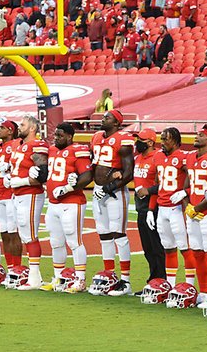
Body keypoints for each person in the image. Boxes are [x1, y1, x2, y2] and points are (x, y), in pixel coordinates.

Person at [42, 123, 93, 293]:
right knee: (55, 242)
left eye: (60, 135)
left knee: (74, 241)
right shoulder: (51, 150)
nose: (56, 138)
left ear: (70, 137)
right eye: (55, 135)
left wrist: (69, 188)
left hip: (72, 202)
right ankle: (59, 278)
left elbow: (87, 175)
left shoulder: (77, 150)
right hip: (53, 203)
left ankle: (80, 279)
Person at [89, 110, 135, 295]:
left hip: (115, 193)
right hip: (97, 190)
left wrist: (109, 187)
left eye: (107, 117)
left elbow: (128, 172)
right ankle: (109, 276)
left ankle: (125, 281)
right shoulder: (97, 137)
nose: (103, 119)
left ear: (117, 123)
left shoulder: (123, 139)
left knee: (119, 234)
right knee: (104, 234)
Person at [180, 126, 207, 306]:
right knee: (197, 252)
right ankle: (204, 292)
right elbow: (185, 187)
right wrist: (188, 208)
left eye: (201, 135)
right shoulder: (190, 157)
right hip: (193, 211)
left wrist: (196, 208)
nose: (196, 137)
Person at [146, 127, 196, 288]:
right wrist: (150, 209)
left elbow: (195, 180)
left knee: (184, 247)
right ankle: (170, 285)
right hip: (162, 208)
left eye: (165, 139)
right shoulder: (158, 156)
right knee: (168, 248)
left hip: (177, 209)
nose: (162, 142)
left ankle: (189, 286)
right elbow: (156, 184)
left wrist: (185, 192)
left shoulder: (183, 157)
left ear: (174, 140)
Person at [6, 115, 48, 290]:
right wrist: (11, 177)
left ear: (32, 128)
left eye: (23, 125)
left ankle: (34, 279)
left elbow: (42, 175)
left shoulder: (37, 145)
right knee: (24, 234)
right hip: (19, 194)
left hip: (30, 194)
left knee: (30, 235)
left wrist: (21, 181)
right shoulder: (20, 146)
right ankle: (34, 276)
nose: (19, 127)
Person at [132, 128, 165, 284]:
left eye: (141, 140)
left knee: (156, 246)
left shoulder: (158, 157)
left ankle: (162, 280)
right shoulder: (138, 158)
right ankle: (153, 279)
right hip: (141, 207)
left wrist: (149, 193)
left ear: (151, 142)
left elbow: (163, 184)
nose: (137, 143)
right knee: (147, 248)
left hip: (154, 206)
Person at [0, 118, 22, 268]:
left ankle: (17, 267)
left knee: (12, 231)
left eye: (2, 127)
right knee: (3, 231)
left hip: (11, 193)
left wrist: (10, 169)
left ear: (10, 130)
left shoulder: (16, 145)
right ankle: (10, 267)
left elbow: (21, 163)